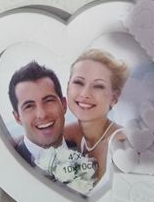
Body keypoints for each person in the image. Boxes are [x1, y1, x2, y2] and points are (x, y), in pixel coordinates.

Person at [64, 49, 129, 183]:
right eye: (78, 82)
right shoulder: (72, 132)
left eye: (98, 86)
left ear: (114, 97)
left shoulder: (121, 144)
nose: (85, 94)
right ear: (68, 87)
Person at [8, 61, 75, 166]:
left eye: (48, 101)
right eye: (29, 106)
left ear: (63, 105)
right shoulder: (10, 163)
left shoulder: (85, 151)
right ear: (17, 118)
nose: (42, 114)